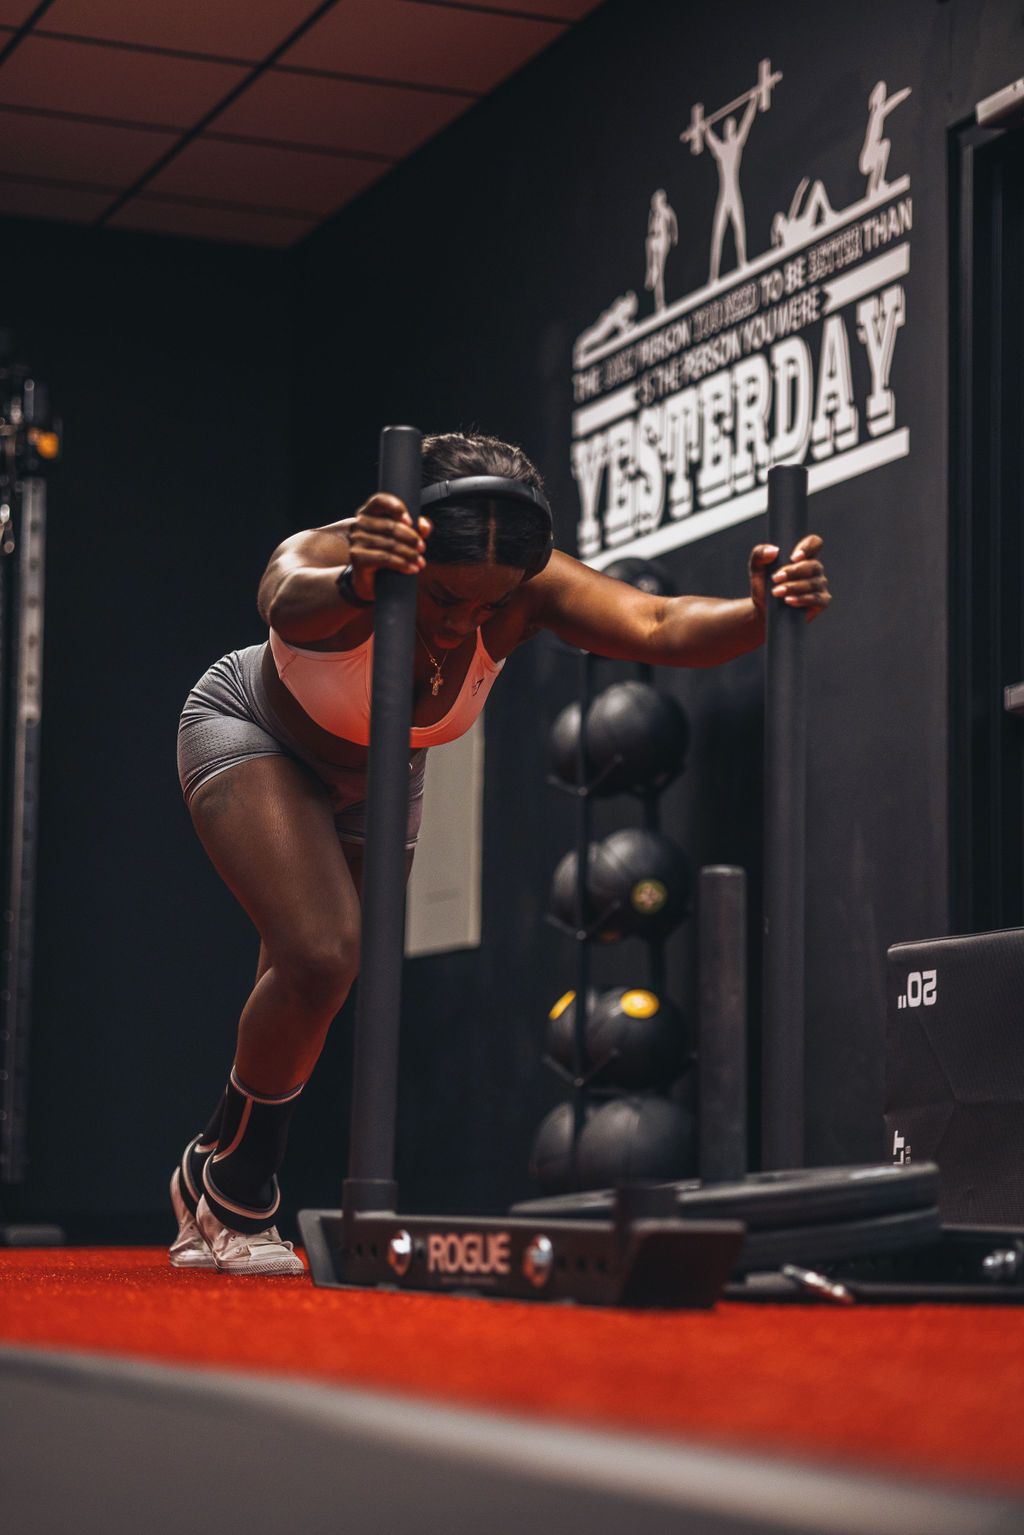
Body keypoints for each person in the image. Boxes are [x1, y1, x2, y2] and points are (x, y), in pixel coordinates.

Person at [171, 431, 831, 1275]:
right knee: (321, 952)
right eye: (442, 598)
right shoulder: (363, 546)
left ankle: (213, 1159)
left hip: (382, 772)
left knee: (320, 977)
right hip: (252, 729)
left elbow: (657, 622)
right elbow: (283, 596)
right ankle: (238, 1190)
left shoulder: (524, 590)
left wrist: (759, 613)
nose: (457, 626)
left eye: (486, 609)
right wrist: (357, 582)